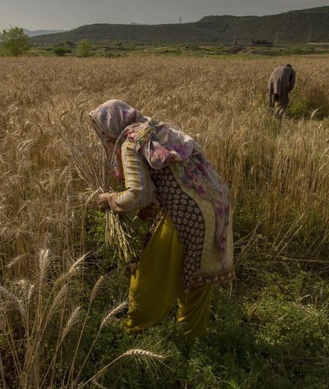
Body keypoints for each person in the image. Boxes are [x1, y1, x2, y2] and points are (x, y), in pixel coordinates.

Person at [89, 99, 234, 339]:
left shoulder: (130, 142)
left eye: (103, 133)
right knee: (198, 280)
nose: (104, 139)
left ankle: (135, 330)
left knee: (150, 276)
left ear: (111, 127)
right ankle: (192, 339)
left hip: (186, 214)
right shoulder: (156, 129)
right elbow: (173, 174)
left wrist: (111, 199)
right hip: (215, 205)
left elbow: (138, 194)